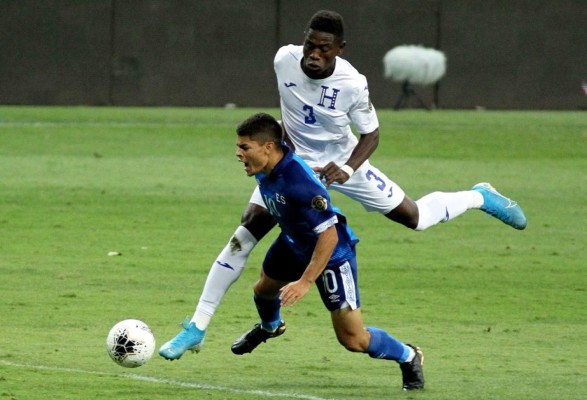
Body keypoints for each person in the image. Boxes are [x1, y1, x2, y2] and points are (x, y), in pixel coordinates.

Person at [158, 10, 526, 361]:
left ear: (339, 49)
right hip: (293, 169)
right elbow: (291, 111)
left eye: (324, 48)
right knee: (244, 235)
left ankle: (479, 195)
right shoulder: (283, 59)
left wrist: (348, 169)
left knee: (415, 218)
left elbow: (371, 133)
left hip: (343, 164)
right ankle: (196, 327)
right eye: (310, 45)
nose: (314, 55)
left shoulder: (352, 83)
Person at [236, 113, 424, 390]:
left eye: (244, 148)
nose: (238, 154)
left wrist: (305, 281)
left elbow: (329, 233)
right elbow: (283, 127)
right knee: (263, 290)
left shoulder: (300, 184)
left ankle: (409, 356)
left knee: (352, 339)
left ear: (268, 147)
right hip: (293, 243)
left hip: (332, 254)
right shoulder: (266, 164)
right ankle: (271, 326)